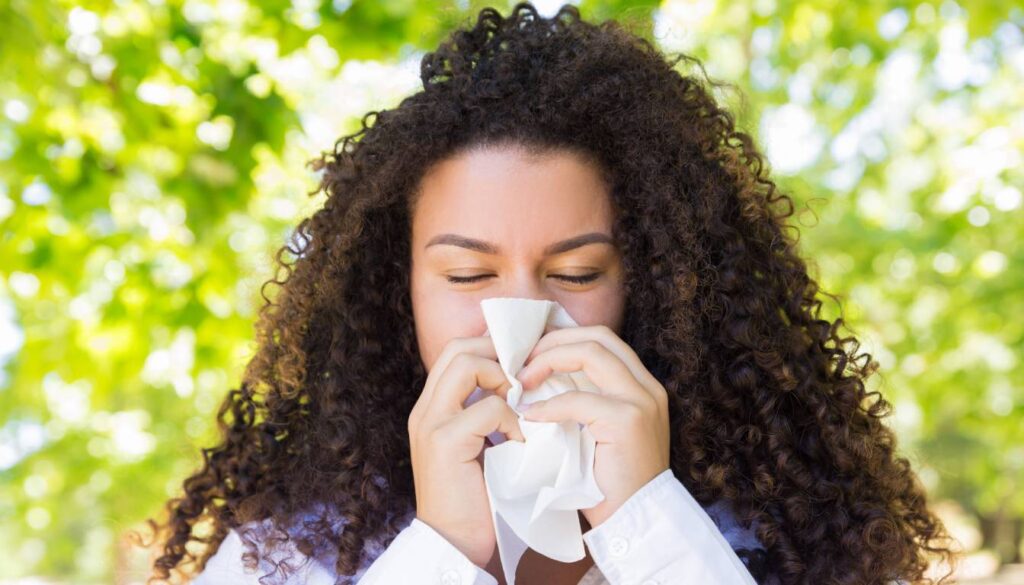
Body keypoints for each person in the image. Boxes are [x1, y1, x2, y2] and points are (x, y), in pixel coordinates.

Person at [141, 3, 957, 584]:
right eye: (468, 276)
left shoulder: (788, 538)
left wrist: (647, 521)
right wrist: (444, 548)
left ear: (652, 284)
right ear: (401, 295)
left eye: (576, 274)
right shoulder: (286, 555)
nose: (522, 324)